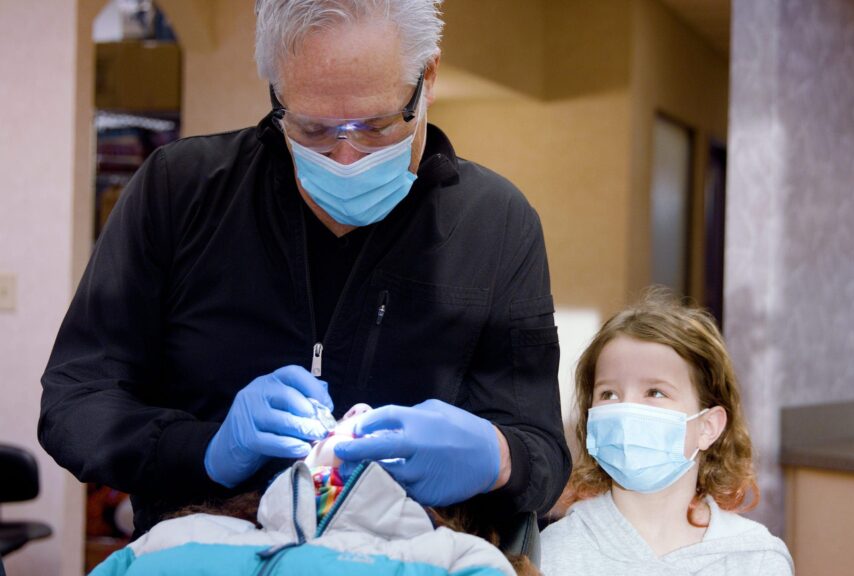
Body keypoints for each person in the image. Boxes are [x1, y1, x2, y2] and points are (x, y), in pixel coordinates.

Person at [39, 0, 568, 538]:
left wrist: (498, 457)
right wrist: (208, 450)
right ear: (275, 93)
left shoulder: (496, 223)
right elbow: (74, 404)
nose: (345, 157)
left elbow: (542, 450)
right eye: (313, 129)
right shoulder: (179, 192)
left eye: (377, 127)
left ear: (427, 77)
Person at [87, 404, 539, 575]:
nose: (357, 410)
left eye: (368, 412)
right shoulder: (179, 536)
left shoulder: (451, 557)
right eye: (344, 415)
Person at [539, 289, 793, 575]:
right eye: (609, 394)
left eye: (655, 392)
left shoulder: (755, 560)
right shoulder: (555, 552)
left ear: (708, 427)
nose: (627, 410)